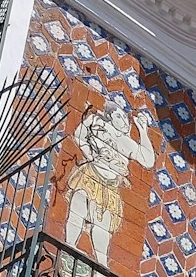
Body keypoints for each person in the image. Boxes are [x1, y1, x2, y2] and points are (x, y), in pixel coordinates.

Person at [63, 98, 156, 266]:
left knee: (103, 224)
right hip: (90, 175)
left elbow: (148, 160)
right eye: (118, 116)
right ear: (109, 118)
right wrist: (87, 126)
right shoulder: (100, 128)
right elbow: (79, 136)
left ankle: (101, 265)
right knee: (79, 205)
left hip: (110, 187)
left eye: (124, 117)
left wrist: (143, 131)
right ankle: (69, 246)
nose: (124, 121)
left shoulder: (127, 143)